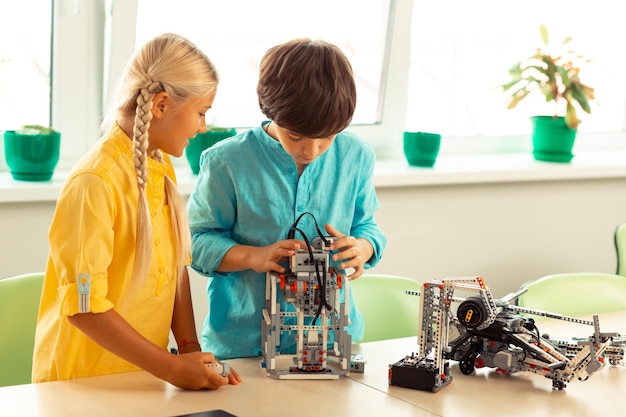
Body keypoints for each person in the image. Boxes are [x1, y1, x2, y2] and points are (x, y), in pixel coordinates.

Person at [32, 33, 241, 390]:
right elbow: (85, 308)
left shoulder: (160, 168)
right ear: (161, 105)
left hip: (142, 380)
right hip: (80, 386)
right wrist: (172, 369)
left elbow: (176, 269)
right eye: (201, 113)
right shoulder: (94, 183)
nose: (203, 127)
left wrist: (189, 350)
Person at [187, 38, 388, 359]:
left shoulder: (356, 154)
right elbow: (195, 243)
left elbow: (367, 226)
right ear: (270, 111)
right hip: (244, 344)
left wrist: (363, 248)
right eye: (295, 136)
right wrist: (253, 256)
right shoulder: (225, 161)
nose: (310, 150)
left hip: (332, 344)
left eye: (327, 137)